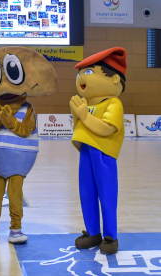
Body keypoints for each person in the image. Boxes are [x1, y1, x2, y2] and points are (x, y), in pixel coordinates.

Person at [70, 47, 127, 254]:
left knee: (107, 194)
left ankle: (111, 236)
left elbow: (107, 128)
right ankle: (93, 232)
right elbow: (78, 129)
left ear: (113, 79)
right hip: (86, 152)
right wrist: (77, 116)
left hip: (103, 154)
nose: (80, 78)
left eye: (88, 72)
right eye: (80, 73)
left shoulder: (114, 103)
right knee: (86, 193)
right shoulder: (85, 103)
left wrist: (83, 115)